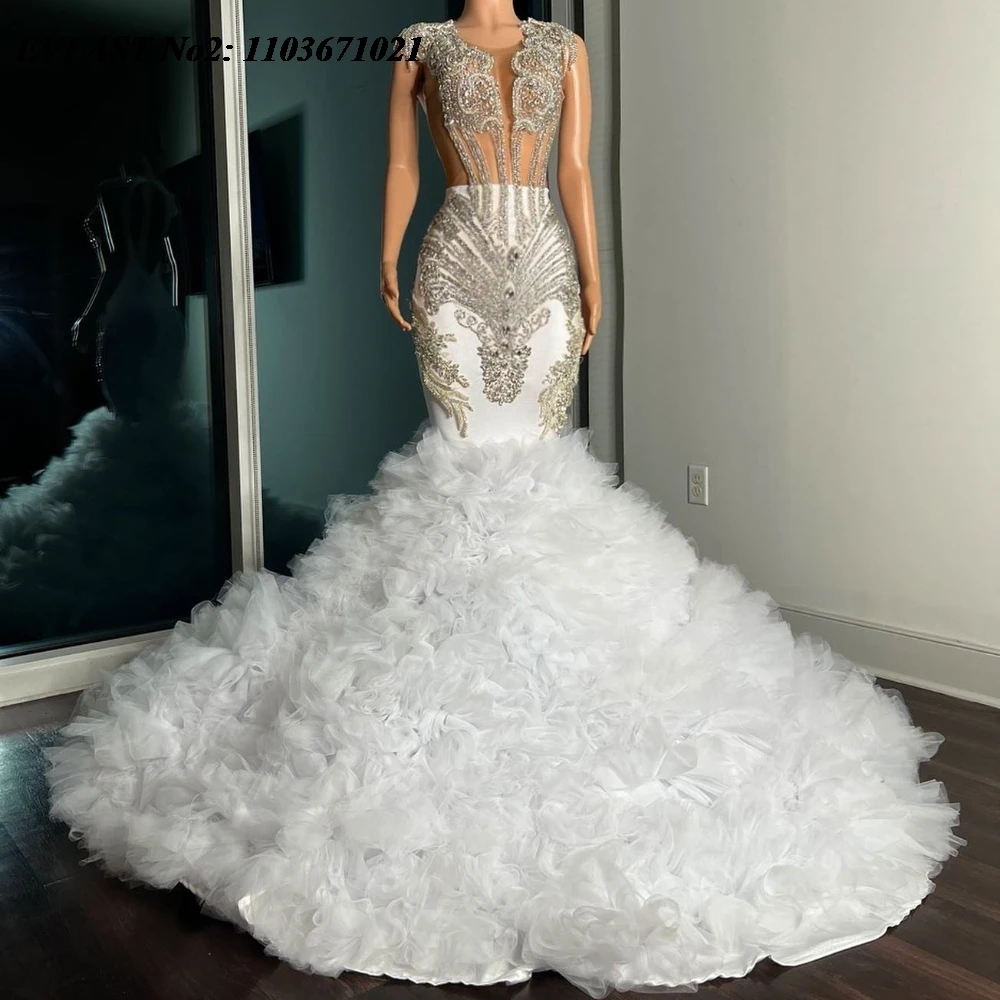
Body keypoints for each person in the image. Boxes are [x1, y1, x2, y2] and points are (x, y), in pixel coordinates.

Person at [45, 4, 962, 996]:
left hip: (548, 265)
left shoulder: (563, 47)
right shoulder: (421, 45)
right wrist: (387, 254)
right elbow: (403, 166)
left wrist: (596, 278)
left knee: (535, 462)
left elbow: (574, 171)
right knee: (466, 459)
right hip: (452, 263)